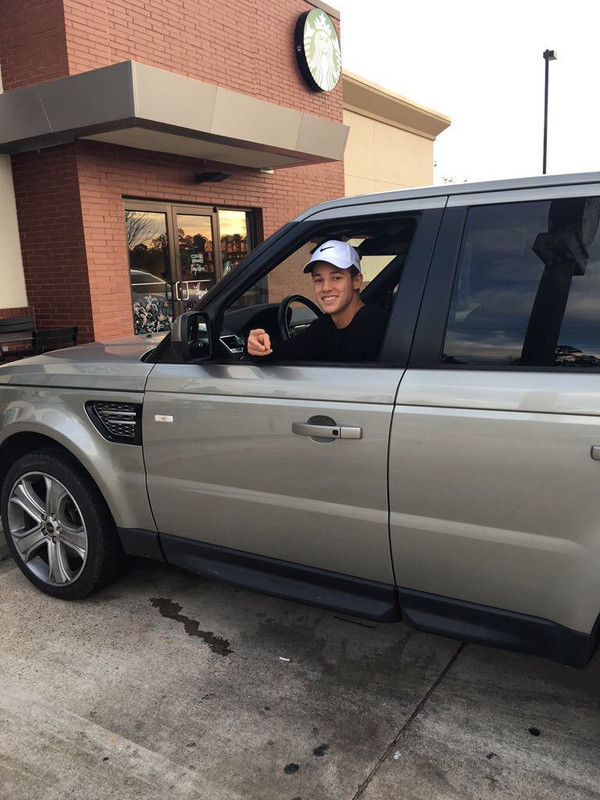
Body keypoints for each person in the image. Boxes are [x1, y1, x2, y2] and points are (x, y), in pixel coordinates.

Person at [246, 239, 389, 362]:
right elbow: (283, 351)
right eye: (319, 280)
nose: (325, 288)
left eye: (336, 278)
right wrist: (257, 346)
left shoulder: (374, 325)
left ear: (356, 281)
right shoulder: (326, 326)